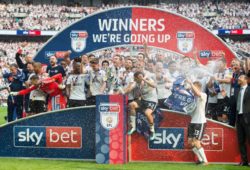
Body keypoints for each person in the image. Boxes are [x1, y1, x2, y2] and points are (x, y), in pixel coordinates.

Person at [127, 71, 158, 141]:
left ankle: (152, 131)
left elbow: (154, 86)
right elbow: (131, 89)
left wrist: (144, 79)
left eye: (136, 78)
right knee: (131, 105)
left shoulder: (148, 80)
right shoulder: (137, 83)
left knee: (147, 113)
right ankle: (133, 127)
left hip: (152, 101)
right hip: (143, 101)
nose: (135, 79)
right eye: (135, 78)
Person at [186, 80, 208, 165]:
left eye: (193, 87)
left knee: (196, 142)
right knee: (190, 142)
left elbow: (198, 93)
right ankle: (200, 159)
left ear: (198, 87)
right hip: (192, 121)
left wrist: (190, 83)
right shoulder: (191, 98)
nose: (192, 89)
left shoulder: (203, 95)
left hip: (200, 122)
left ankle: (205, 161)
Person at [235, 75, 250, 166]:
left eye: (240, 78)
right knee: (241, 141)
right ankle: (244, 161)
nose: (238, 79)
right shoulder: (237, 90)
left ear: (246, 80)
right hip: (239, 118)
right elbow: (234, 104)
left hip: (248, 118)